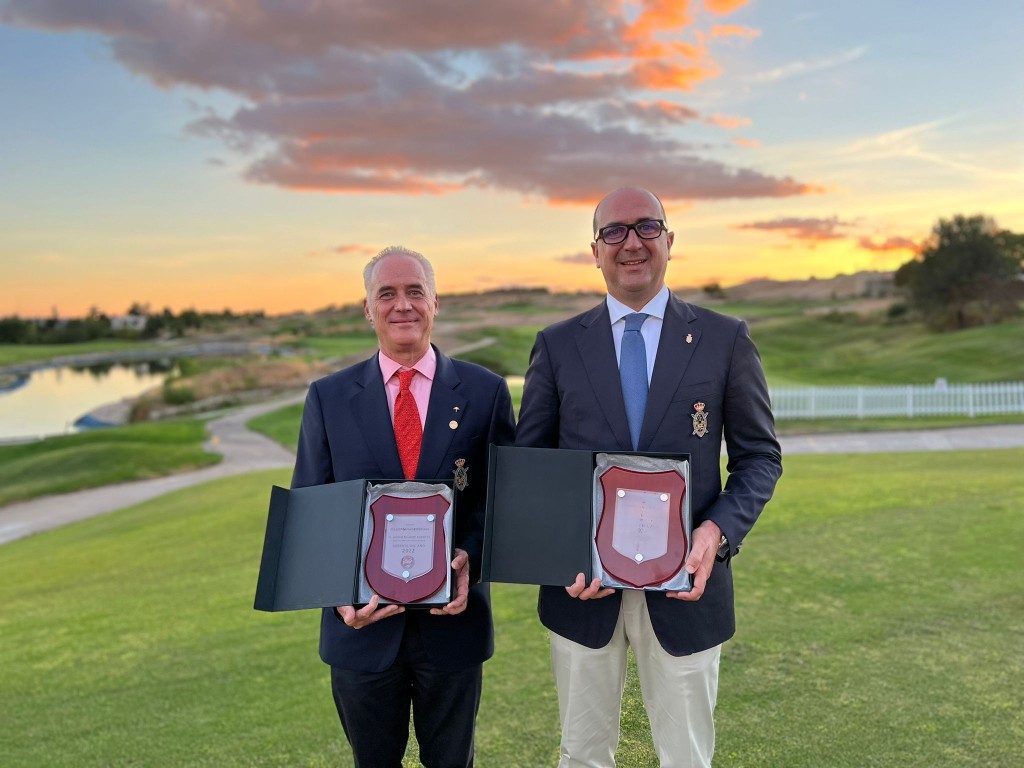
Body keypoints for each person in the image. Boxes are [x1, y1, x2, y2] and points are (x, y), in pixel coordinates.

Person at [515, 187, 782, 767]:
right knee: (582, 755)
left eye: (646, 227)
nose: (630, 242)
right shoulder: (558, 347)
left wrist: (716, 532)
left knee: (686, 757)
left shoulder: (723, 338)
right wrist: (563, 554)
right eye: (614, 232)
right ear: (594, 250)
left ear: (669, 241)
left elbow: (760, 456)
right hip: (582, 592)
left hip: (688, 586)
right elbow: (530, 469)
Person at [291, 246, 515, 768]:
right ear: (368, 309)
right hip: (362, 633)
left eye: (415, 291)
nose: (402, 305)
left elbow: (504, 502)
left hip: (452, 629)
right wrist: (336, 593)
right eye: (386, 294)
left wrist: (471, 561)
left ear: (435, 301)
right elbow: (311, 510)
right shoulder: (328, 397)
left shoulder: (485, 393)